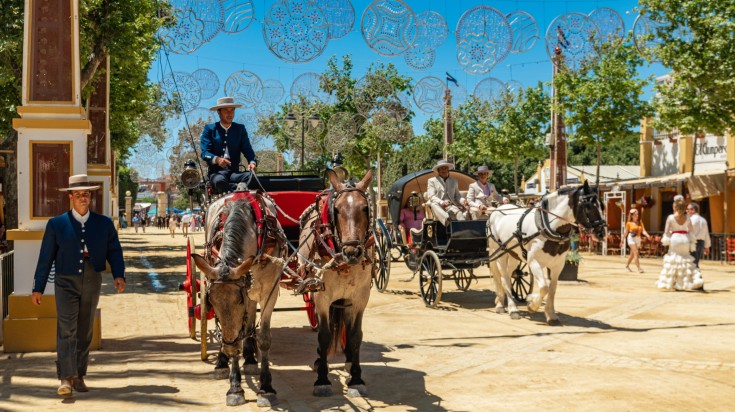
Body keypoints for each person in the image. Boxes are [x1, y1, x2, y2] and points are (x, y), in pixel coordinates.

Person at [31, 174, 126, 397]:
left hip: (92, 279)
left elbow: (115, 251)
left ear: (90, 197)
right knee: (67, 329)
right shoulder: (56, 224)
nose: (83, 198)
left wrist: (119, 275)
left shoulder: (103, 223)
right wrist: (38, 287)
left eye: (86, 194)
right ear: (70, 197)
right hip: (65, 280)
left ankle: (79, 375)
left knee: (85, 330)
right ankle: (65, 377)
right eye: (78, 194)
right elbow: (46, 257)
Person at [201, 96, 257, 194]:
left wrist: (252, 162)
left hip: (234, 173)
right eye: (226, 110)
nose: (230, 113)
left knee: (252, 177)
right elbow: (205, 153)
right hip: (216, 173)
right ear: (219, 112)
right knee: (219, 181)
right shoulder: (209, 129)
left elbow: (247, 149)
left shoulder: (240, 129)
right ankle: (236, 188)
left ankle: (236, 189)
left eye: (232, 110)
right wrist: (217, 159)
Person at [656, 195, 704, 291]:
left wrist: (670, 236)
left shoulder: (670, 217)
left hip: (675, 239)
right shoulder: (687, 218)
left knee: (673, 259)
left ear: (675, 207)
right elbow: (691, 231)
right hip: (685, 239)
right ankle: (686, 283)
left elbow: (666, 232)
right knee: (685, 259)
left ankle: (671, 283)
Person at [427, 159, 469, 225]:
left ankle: (464, 230)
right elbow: (431, 196)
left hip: (450, 206)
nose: (444, 170)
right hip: (438, 205)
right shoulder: (432, 181)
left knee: (459, 213)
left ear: (448, 170)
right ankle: (447, 219)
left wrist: (463, 201)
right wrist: (442, 202)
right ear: (438, 170)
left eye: (445, 168)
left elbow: (457, 195)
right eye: (442, 168)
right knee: (433, 204)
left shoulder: (453, 181)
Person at [623, 208, 650, 272]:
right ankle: (639, 268)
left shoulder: (640, 222)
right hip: (631, 238)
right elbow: (626, 232)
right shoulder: (629, 223)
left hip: (638, 238)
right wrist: (622, 240)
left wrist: (647, 235)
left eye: (637, 214)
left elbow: (643, 231)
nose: (637, 216)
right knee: (636, 252)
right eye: (635, 214)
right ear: (632, 216)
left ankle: (627, 265)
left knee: (633, 254)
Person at [687, 202, 711, 268]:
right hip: (701, 243)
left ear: (693, 210)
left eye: (688, 209)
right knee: (695, 262)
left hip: (692, 243)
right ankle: (697, 277)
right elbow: (706, 234)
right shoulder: (703, 220)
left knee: (692, 264)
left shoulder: (690, 220)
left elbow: (687, 232)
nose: (687, 211)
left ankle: (697, 277)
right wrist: (707, 246)